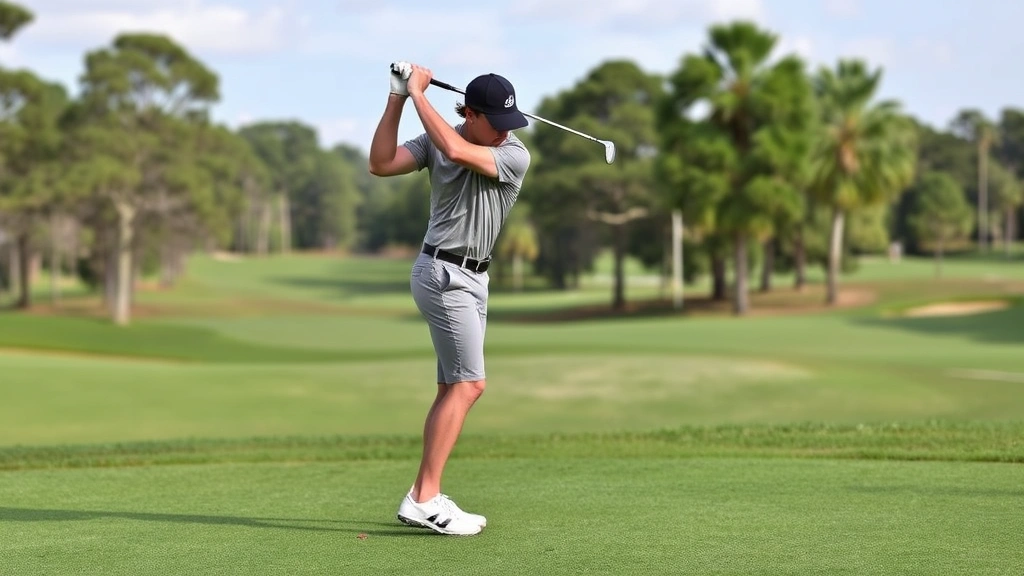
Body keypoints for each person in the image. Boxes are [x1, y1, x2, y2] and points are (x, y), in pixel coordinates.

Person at [368, 61, 531, 536]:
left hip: (474, 280)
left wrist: (419, 93)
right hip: (443, 274)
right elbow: (381, 164)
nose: (504, 132)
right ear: (470, 114)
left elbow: (457, 150)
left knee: (452, 388)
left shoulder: (514, 154)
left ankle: (424, 494)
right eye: (495, 123)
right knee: (469, 385)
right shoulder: (437, 140)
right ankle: (424, 498)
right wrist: (400, 97)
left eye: (509, 122)